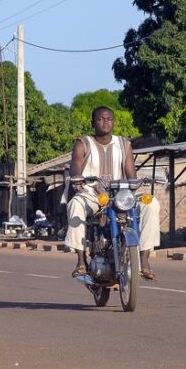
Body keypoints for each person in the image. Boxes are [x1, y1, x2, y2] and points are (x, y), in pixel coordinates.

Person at [64, 106, 161, 280]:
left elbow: (131, 173)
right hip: (92, 194)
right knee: (75, 205)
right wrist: (77, 178)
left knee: (151, 203)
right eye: (100, 119)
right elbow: (76, 166)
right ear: (93, 123)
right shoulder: (83, 142)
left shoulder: (124, 144)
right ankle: (81, 260)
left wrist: (135, 185)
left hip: (119, 195)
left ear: (113, 122)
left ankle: (144, 259)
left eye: (109, 119)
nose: (105, 122)